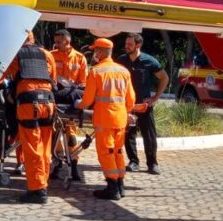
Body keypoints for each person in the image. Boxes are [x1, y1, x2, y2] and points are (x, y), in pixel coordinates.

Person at [78, 37, 135, 200]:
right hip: (120, 118)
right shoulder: (124, 71)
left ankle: (112, 187)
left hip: (105, 119)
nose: (94, 53)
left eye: (95, 50)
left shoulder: (96, 71)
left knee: (106, 152)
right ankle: (120, 185)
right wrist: (125, 112)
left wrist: (79, 105)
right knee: (117, 151)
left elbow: (87, 100)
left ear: (101, 52)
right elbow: (131, 99)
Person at [4, 31, 57, 204]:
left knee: (33, 147)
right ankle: (43, 184)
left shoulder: (16, 55)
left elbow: (1, 73)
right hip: (48, 104)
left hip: (28, 104)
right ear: (33, 38)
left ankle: (37, 190)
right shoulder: (48, 54)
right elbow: (53, 80)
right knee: (45, 147)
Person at [116, 33, 169, 175]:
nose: (126, 47)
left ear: (138, 45)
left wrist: (155, 98)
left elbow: (164, 77)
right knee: (128, 134)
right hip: (127, 105)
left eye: (130, 45)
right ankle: (133, 161)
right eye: (126, 44)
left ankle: (152, 164)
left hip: (145, 106)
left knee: (149, 135)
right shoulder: (121, 60)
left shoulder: (149, 61)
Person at [50, 28, 88, 182]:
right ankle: (58, 164)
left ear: (67, 41)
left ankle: (73, 166)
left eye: (59, 41)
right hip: (56, 99)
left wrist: (73, 86)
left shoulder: (79, 58)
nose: (56, 44)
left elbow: (84, 83)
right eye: (56, 41)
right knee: (54, 135)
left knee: (71, 137)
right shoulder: (51, 56)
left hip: (71, 100)